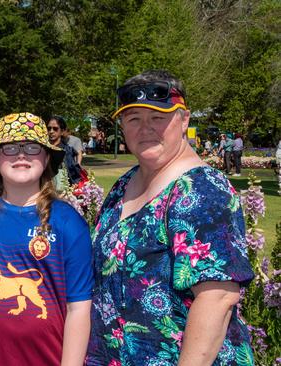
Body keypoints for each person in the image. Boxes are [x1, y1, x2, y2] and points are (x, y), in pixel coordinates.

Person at [86, 70, 254, 365]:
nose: (145, 128)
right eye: (134, 119)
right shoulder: (124, 185)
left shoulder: (201, 190)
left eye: (158, 118)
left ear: (184, 120)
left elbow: (217, 298)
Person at [0, 112, 93, 365]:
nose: (21, 155)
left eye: (32, 148)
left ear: (46, 158)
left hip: (45, 357)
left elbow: (78, 309)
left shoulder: (67, 221)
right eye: (10, 148)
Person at [47, 115, 85, 189]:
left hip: (62, 192)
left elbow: (74, 175)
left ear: (62, 131)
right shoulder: (42, 149)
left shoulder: (67, 151)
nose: (51, 131)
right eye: (49, 128)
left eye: (55, 129)